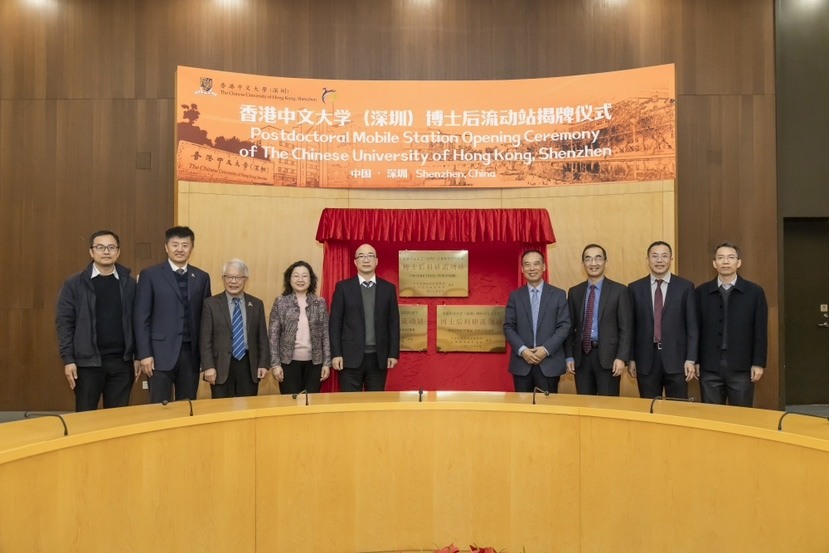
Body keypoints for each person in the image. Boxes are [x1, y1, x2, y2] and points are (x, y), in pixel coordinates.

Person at [55, 230, 137, 411]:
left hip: (121, 363)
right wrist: (68, 360)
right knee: (85, 417)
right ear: (91, 252)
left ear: (118, 252)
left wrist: (138, 356)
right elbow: (65, 323)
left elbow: (137, 322)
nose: (106, 251)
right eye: (100, 247)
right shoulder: (74, 284)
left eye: (111, 247)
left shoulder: (129, 284)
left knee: (117, 418)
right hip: (86, 364)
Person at [134, 226, 211, 403]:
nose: (179, 249)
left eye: (185, 245)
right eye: (175, 245)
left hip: (190, 355)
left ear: (192, 248)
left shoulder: (201, 277)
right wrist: (144, 354)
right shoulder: (150, 275)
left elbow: (206, 320)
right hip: (159, 354)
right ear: (166, 247)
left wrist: (206, 358)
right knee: (160, 406)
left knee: (187, 405)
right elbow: (141, 318)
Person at [696, 242, 768, 407]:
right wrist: (695, 359)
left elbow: (760, 330)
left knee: (741, 415)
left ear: (739, 262)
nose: (726, 262)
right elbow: (696, 329)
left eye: (730, 257)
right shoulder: (701, 292)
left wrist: (758, 363)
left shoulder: (754, 292)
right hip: (709, 366)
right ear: (714, 263)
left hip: (742, 366)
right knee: (712, 416)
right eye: (720, 258)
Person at [628, 241, 698, 399]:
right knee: (650, 407)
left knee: (677, 407)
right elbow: (631, 327)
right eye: (655, 256)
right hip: (645, 359)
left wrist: (691, 359)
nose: (659, 260)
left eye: (664, 256)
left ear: (671, 259)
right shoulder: (635, 288)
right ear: (647, 260)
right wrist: (631, 358)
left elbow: (692, 326)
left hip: (677, 360)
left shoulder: (685, 287)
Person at [329, 243, 400, 392]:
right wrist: (336, 354)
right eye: (361, 256)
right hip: (349, 358)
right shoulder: (343, 288)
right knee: (350, 403)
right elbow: (335, 323)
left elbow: (393, 323)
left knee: (375, 402)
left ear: (376, 261)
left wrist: (393, 353)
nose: (366, 260)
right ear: (355, 262)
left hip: (378, 358)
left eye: (370, 256)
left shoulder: (388, 289)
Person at [565, 244, 633, 396]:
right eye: (588, 259)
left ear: (605, 262)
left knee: (608, 404)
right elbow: (569, 328)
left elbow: (626, 329)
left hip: (609, 359)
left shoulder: (619, 291)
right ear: (583, 263)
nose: (593, 263)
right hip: (581, 359)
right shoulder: (575, 292)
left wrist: (621, 357)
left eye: (598, 258)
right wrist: (569, 356)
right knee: (583, 404)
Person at [199, 259, 269, 398]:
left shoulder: (256, 304)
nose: (233, 281)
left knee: (248, 407)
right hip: (220, 366)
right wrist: (208, 366)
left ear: (245, 279)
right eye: (229, 277)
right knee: (221, 407)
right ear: (223, 278)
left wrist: (263, 363)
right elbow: (205, 339)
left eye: (238, 277)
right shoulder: (211, 304)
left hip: (249, 365)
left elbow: (262, 337)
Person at [504, 250, 571, 393]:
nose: (532, 268)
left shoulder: (558, 295)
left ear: (544, 267)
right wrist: (523, 350)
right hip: (522, 364)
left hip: (549, 363)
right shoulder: (515, 296)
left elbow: (564, 326)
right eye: (527, 265)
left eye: (536, 264)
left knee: (547, 406)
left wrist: (545, 350)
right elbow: (508, 327)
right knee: (522, 406)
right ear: (522, 269)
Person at [268, 261, 331, 394]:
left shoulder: (319, 302)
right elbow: (273, 336)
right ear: (289, 279)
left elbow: (325, 335)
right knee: (290, 402)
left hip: (315, 363)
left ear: (311, 279)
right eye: (296, 276)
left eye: (304, 276)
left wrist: (326, 363)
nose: (300, 279)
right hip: (288, 363)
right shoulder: (281, 302)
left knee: (311, 402)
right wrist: (275, 364)